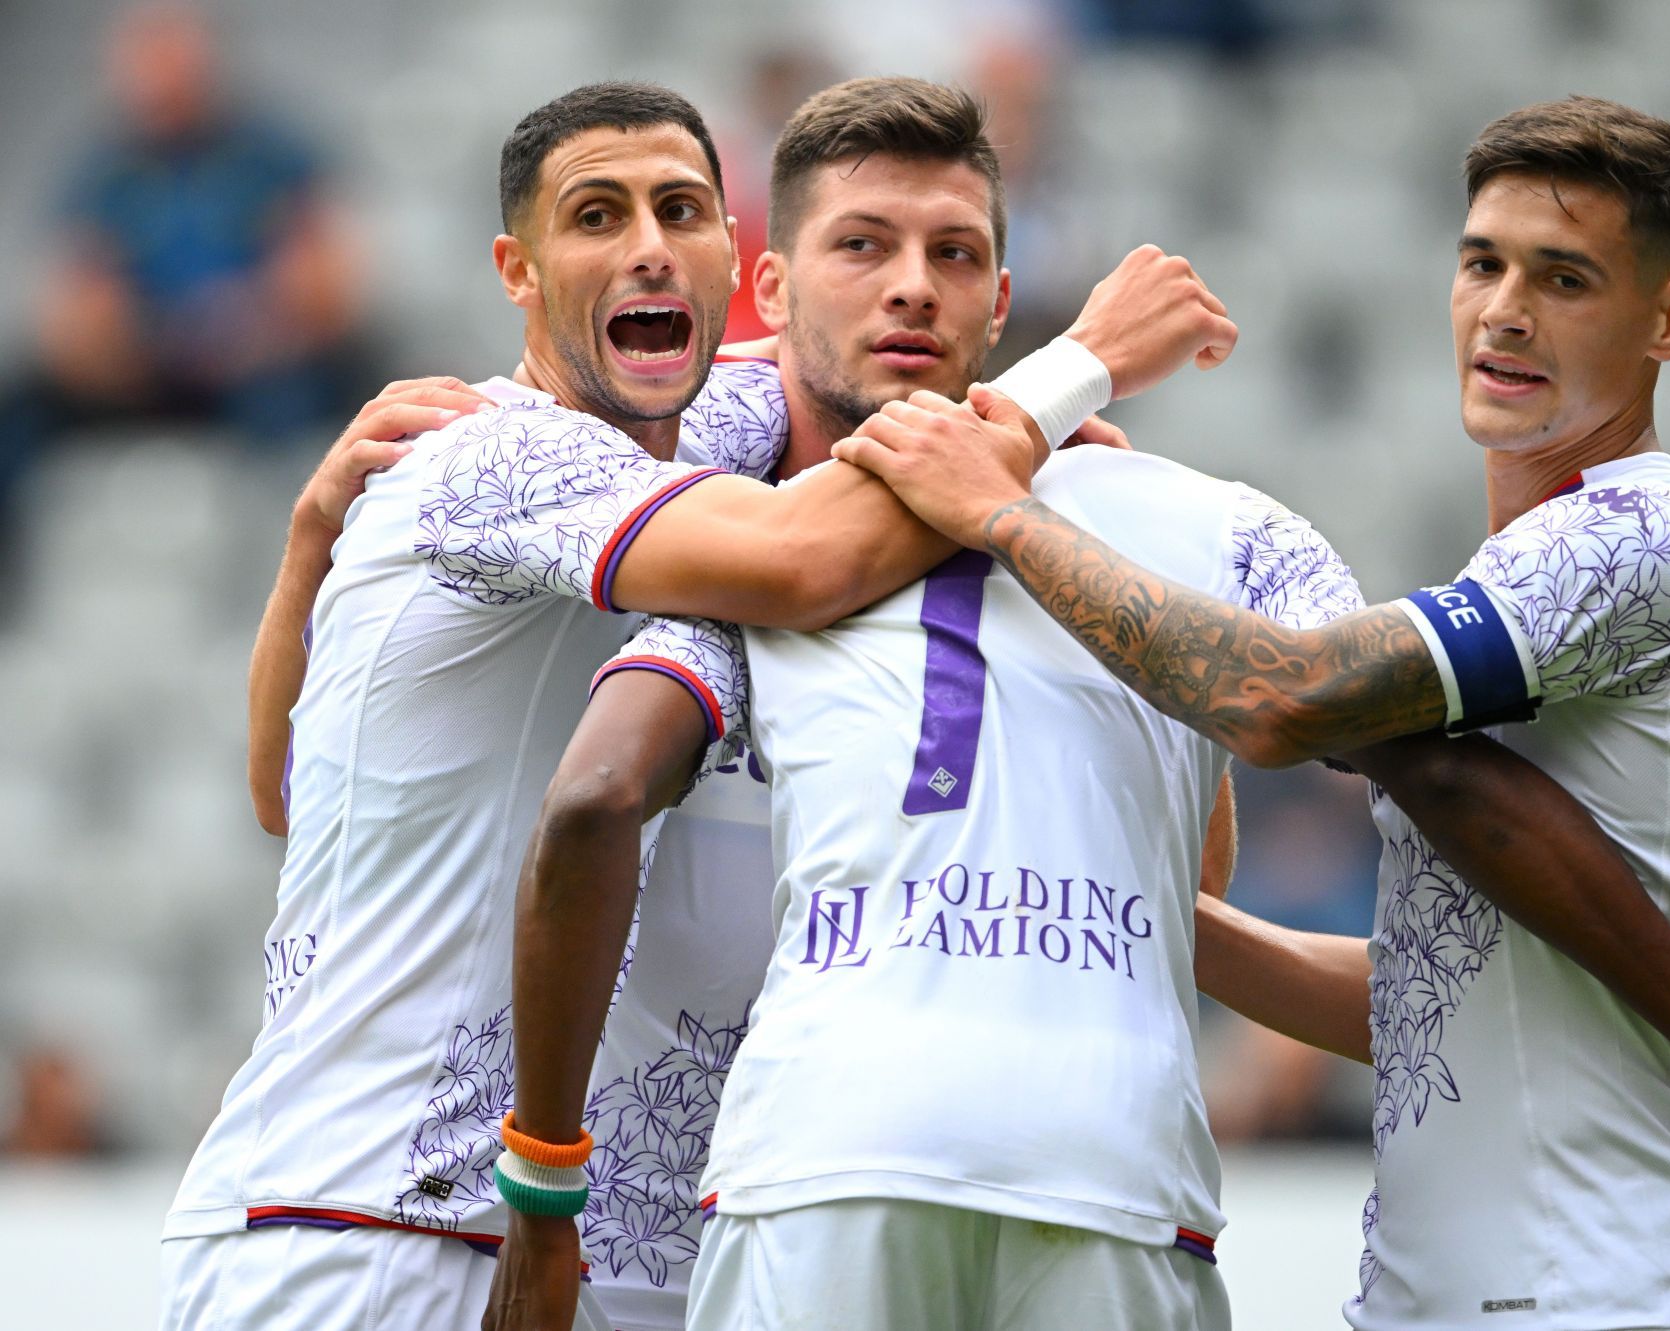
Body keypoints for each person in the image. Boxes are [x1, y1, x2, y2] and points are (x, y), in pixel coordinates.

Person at [487, 91, 1670, 1331]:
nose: (1504, 309)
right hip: (1383, 1271)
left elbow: (1321, 710)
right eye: (1484, 264)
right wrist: (1108, 887)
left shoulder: (1600, 540)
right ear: (774, 290)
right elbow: (1445, 988)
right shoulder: (752, 530)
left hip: (1579, 1269)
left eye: (1562, 277)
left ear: (1006, 298)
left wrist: (1010, 496)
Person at [178, 76, 1228, 1331]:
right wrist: (1072, 377)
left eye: (679, 210)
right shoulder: (504, 450)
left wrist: (1017, 440)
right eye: (596, 216)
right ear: (517, 269)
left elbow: (288, 791)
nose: (646, 248)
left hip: (598, 1246)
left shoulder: (697, 435)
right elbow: (807, 556)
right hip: (368, 1225)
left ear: (735, 266)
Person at [0, 2, 363, 525]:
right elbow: (73, 313)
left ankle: (284, 565)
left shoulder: (274, 155)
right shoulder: (102, 170)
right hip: (143, 372)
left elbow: (325, 289)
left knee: (295, 410)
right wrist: (121, 345)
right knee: (19, 415)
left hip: (258, 366)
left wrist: (248, 331)